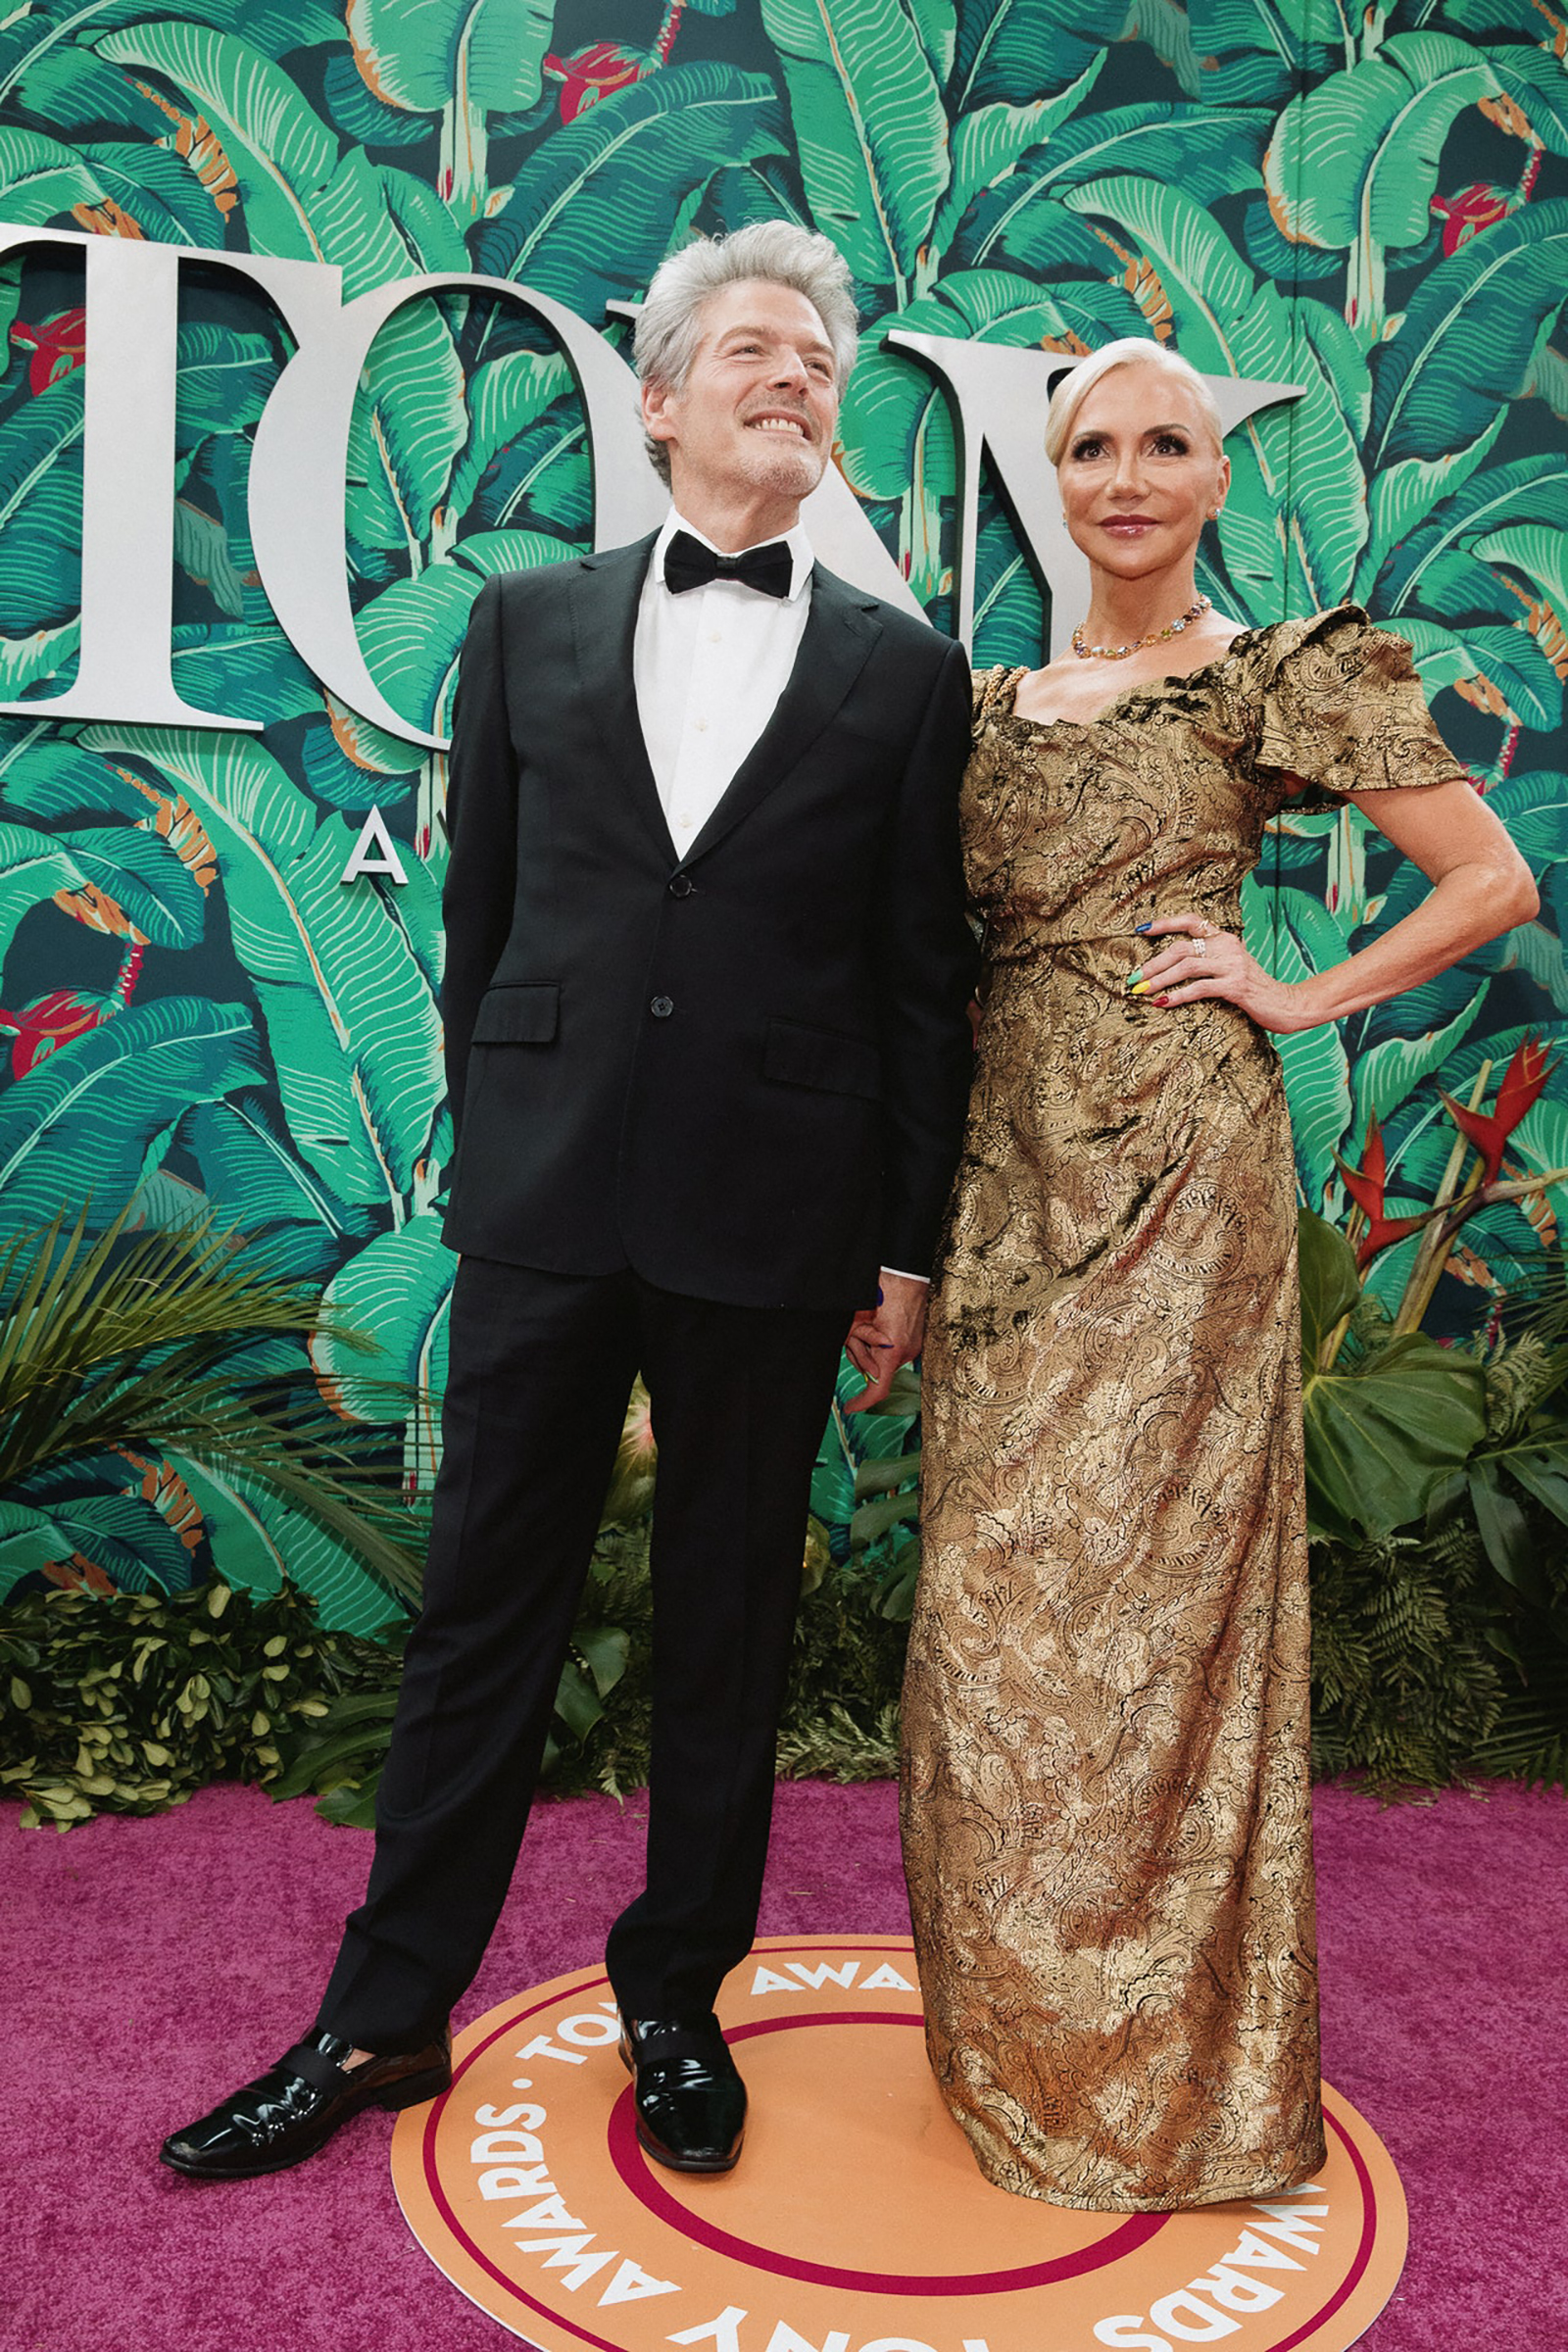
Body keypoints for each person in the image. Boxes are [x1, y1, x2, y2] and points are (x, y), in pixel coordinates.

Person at [162, 222, 976, 2183]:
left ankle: (676, 1998)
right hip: (546, 1197)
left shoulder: (905, 672)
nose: (795, 377)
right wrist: (513, 1127)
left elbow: (916, 979)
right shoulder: (522, 623)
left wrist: (903, 1246)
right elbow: (485, 923)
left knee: (726, 1625)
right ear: (661, 399)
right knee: (478, 1613)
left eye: (819, 359)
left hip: (774, 1215)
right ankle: (381, 2015)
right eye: (755, 349)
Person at [900, 335, 1538, 2213]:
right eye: (1093, 446)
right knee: (992, 1620)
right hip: (1005, 1184)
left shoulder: (1269, 675)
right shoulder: (985, 704)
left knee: (1162, 1613)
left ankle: (1160, 2093)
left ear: (1215, 477)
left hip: (1184, 1182)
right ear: (1054, 477)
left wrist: (1299, 992)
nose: (1126, 477)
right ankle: (1024, 2050)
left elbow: (1491, 880)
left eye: (1165, 443)